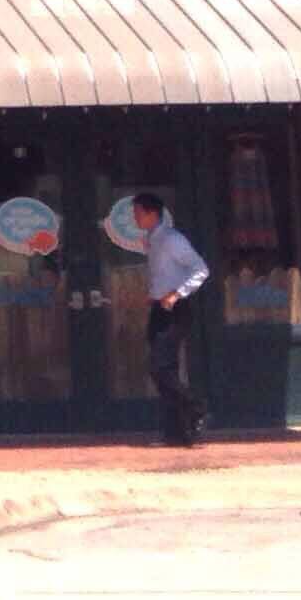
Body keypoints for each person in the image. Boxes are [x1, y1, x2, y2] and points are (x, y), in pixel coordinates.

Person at [133, 191, 210, 446]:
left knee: (160, 367)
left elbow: (201, 269)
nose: (135, 218)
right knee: (163, 370)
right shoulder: (153, 240)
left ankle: (196, 406)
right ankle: (175, 433)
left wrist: (177, 295)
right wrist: (154, 295)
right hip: (159, 309)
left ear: (152, 213)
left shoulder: (171, 239)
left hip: (175, 310)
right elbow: (163, 274)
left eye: (138, 213)